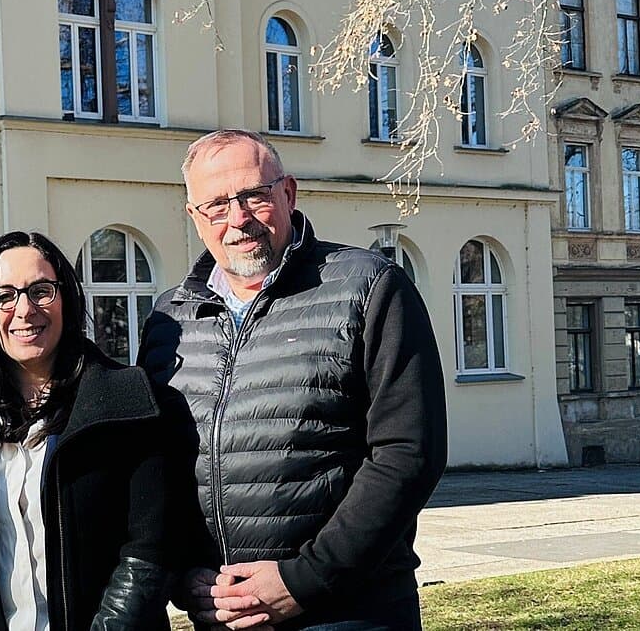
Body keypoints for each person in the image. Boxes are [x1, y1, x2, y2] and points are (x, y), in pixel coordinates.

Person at [138, 129, 448, 630]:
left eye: (254, 196)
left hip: (348, 612)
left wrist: (303, 581)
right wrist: (184, 574)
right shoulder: (170, 318)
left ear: (288, 193)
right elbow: (155, 466)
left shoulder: (368, 286)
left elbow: (407, 452)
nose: (238, 219)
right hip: (221, 612)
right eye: (216, 205)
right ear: (194, 218)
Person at [0, 231, 174, 631]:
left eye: (41, 291)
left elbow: (149, 549)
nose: (25, 309)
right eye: (5, 295)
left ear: (66, 297)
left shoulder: (125, 405)